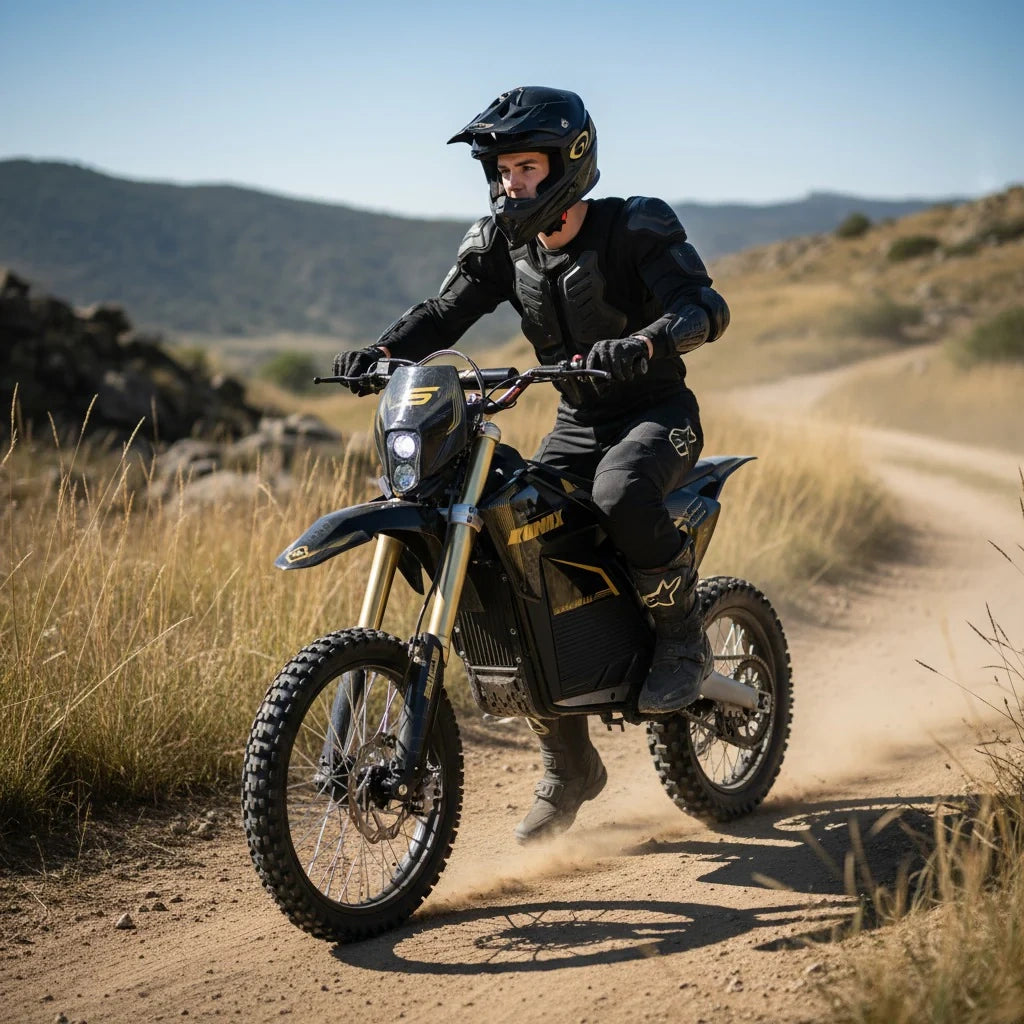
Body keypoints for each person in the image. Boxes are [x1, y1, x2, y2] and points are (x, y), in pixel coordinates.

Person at [333, 86, 730, 844]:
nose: (509, 183)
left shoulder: (635, 224)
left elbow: (705, 307)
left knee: (620, 495)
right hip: (576, 423)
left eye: (525, 168)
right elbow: (443, 314)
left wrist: (647, 341)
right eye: (502, 170)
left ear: (568, 163)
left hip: (656, 415)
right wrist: (380, 352)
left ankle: (681, 635)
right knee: (511, 541)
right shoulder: (499, 244)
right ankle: (570, 764)